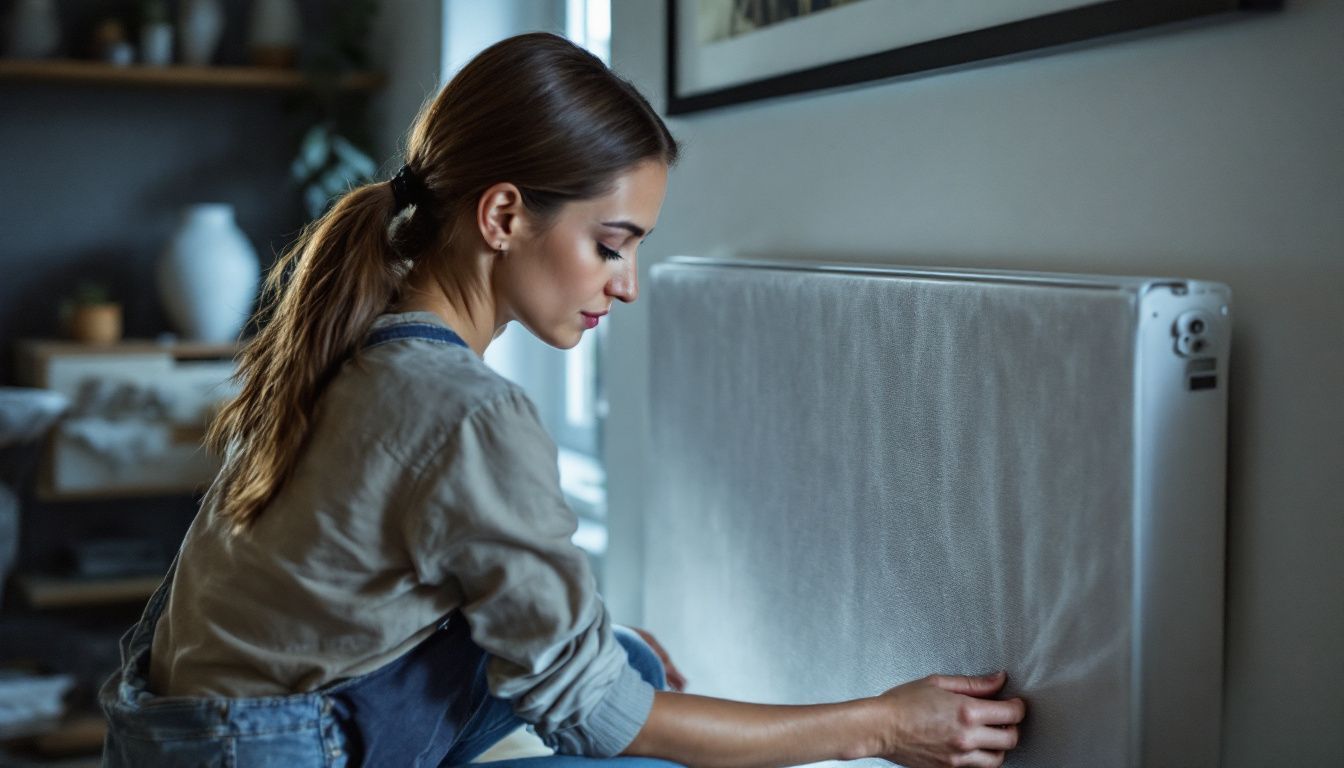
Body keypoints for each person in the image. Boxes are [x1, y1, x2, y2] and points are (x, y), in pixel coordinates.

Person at [99, 32, 1025, 768]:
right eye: (612, 243)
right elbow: (591, 716)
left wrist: (615, 657)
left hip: (182, 735)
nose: (626, 284)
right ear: (503, 217)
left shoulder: (349, 341)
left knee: (632, 661)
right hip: (275, 750)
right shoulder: (465, 410)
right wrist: (880, 725)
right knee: (638, 725)